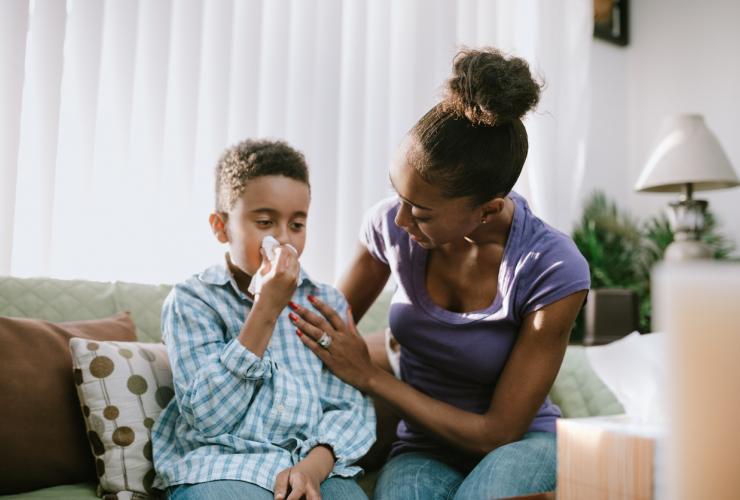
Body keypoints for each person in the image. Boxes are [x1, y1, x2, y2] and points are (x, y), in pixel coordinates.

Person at [289, 48, 590, 499]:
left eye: (423, 214)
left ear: (487, 210)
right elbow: (315, 327)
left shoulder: (552, 268)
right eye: (399, 195)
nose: (401, 220)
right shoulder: (389, 227)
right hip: (423, 449)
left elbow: (498, 432)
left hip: (522, 444)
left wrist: (373, 378)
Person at [152, 139, 376, 500]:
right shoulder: (193, 301)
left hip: (313, 468)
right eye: (265, 222)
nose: (284, 239)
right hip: (221, 467)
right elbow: (207, 417)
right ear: (221, 227)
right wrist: (266, 309)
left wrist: (312, 469)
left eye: (298, 224)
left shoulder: (324, 303)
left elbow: (350, 408)